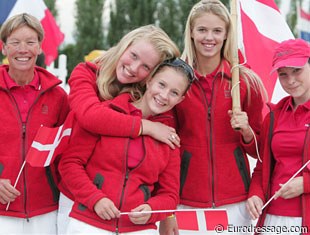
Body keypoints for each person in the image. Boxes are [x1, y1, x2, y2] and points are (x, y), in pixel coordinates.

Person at [57, 24, 181, 234]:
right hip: (76, 199)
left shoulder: (148, 98)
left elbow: (166, 171)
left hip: (128, 218)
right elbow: (91, 117)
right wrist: (146, 127)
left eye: (145, 67)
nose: (134, 68)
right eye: (133, 55)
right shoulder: (86, 73)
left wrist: (166, 213)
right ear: (125, 45)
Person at [159, 1, 268, 234]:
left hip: (235, 203)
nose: (209, 37)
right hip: (184, 200)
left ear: (227, 34)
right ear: (191, 31)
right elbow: (164, 147)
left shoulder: (246, 83)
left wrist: (247, 132)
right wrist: (167, 208)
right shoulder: (176, 80)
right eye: (202, 30)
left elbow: (261, 153)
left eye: (217, 30)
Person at [0, 13, 69, 235]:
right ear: (3, 48)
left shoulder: (58, 96)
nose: (23, 49)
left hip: (46, 212)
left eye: (30, 42)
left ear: (39, 47)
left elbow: (68, 151)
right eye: (15, 42)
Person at [246, 39, 310, 235]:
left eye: (297, 71)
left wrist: (306, 184)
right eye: (283, 75)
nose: (290, 80)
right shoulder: (274, 116)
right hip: (273, 218)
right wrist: (255, 194)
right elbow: (263, 166)